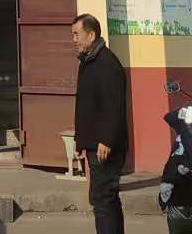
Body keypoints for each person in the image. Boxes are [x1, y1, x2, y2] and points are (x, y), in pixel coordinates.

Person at [72, 13, 127, 234]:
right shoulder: (88, 61)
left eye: (77, 34)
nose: (74, 39)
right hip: (94, 143)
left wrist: (106, 140)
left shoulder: (107, 62)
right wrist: (80, 141)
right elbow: (85, 106)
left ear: (91, 35)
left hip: (105, 146)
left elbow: (113, 106)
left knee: (103, 199)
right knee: (106, 199)